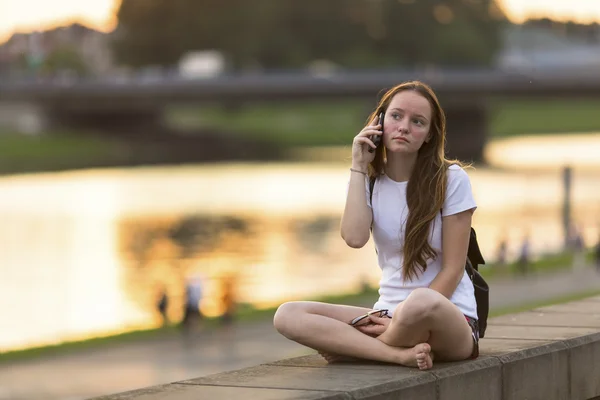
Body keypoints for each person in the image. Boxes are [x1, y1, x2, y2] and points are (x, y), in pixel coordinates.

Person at [273, 81, 479, 371]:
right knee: (288, 314)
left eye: (417, 121)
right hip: (386, 314)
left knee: (421, 301)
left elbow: (453, 270)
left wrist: (399, 319)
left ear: (430, 135)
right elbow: (354, 238)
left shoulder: (451, 179)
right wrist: (358, 165)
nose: (404, 127)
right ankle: (398, 355)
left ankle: (358, 348)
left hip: (447, 317)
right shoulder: (368, 181)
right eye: (396, 116)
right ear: (378, 122)